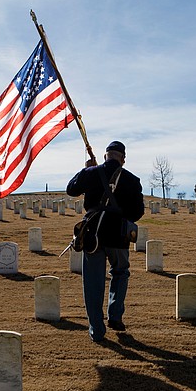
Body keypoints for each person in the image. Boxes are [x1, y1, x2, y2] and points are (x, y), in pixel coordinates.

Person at [66, 141, 144, 342]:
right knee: (120, 272)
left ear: (105, 156)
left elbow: (71, 189)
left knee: (93, 283)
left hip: (93, 235)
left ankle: (97, 330)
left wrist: (86, 170)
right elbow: (137, 213)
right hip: (118, 236)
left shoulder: (91, 173)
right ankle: (115, 314)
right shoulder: (132, 180)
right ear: (123, 159)